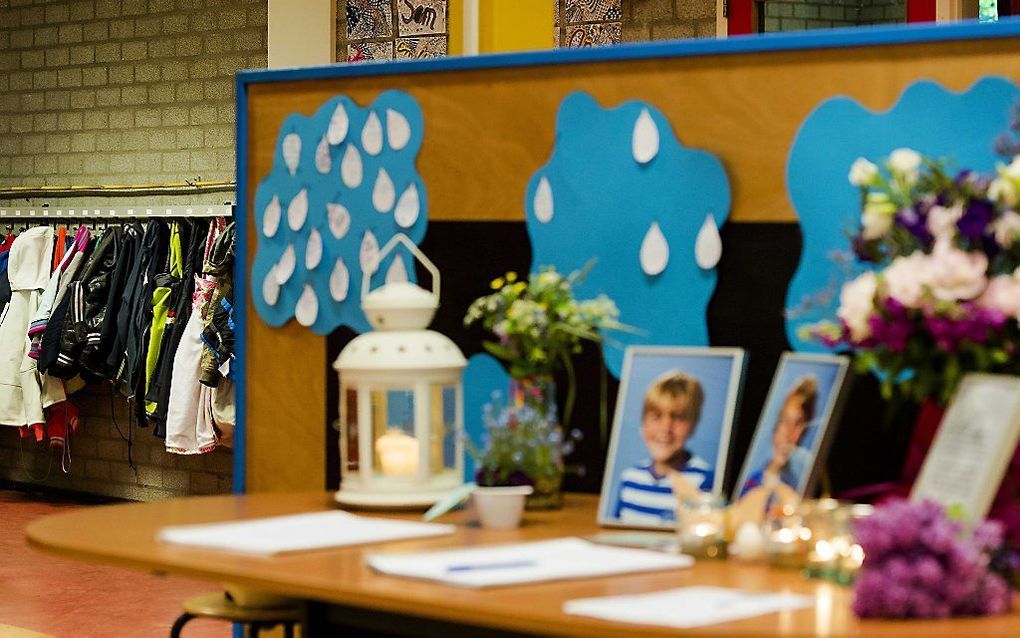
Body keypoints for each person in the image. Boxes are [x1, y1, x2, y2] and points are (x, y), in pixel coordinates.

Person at [613, 370, 714, 525]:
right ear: (643, 424)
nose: (665, 428)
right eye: (656, 416)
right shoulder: (629, 478)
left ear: (693, 425)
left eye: (677, 417)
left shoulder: (704, 480)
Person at [738, 375, 818, 498]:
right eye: (785, 421)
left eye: (798, 424)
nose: (789, 435)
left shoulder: (805, 471)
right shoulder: (754, 479)